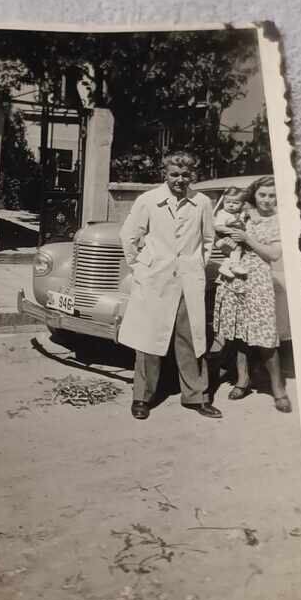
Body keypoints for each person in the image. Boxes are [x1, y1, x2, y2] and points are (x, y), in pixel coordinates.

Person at [118, 151, 222, 421]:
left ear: (193, 175)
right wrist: (140, 266)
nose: (180, 179)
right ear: (165, 174)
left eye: (185, 175)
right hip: (156, 279)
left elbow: (208, 240)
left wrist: (196, 265)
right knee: (149, 339)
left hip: (189, 279)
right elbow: (129, 236)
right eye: (174, 174)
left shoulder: (201, 203)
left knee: (191, 338)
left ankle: (196, 396)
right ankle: (142, 396)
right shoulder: (149, 200)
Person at [212, 175, 292, 412]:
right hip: (235, 278)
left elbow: (274, 254)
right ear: (254, 195)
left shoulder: (279, 220)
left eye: (273, 196)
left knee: (265, 336)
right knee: (238, 333)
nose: (268, 200)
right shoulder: (242, 215)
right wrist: (226, 243)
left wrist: (247, 238)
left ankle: (278, 390)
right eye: (263, 195)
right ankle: (242, 380)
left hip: (258, 280)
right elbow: (223, 240)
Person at [213, 186, 251, 279]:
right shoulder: (223, 214)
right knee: (237, 249)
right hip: (223, 238)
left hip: (232, 237)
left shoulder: (239, 213)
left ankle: (225, 266)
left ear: (242, 204)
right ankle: (234, 266)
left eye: (235, 203)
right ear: (223, 202)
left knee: (235, 252)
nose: (231, 205)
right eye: (228, 202)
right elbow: (218, 227)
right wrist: (231, 231)